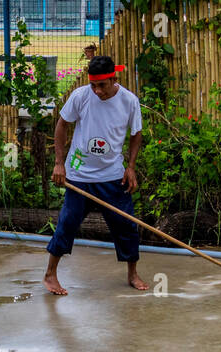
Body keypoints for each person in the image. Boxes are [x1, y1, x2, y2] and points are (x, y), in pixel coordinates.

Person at [44, 55, 147, 295]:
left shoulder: (129, 101)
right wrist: (60, 164)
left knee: (126, 225)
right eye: (93, 85)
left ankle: (132, 273)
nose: (97, 91)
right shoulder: (80, 96)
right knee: (67, 223)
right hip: (79, 175)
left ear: (114, 79)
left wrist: (130, 166)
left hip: (112, 175)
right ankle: (50, 274)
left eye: (102, 85)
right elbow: (61, 125)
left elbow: (136, 134)